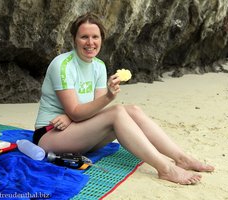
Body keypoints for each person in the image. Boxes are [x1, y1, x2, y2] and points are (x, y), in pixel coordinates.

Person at [33, 12, 214, 185]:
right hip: (50, 136)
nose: (90, 42)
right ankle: (165, 168)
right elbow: (77, 112)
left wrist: (71, 116)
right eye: (84, 37)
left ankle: (182, 158)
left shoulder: (98, 66)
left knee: (132, 110)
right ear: (74, 39)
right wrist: (104, 99)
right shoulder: (62, 65)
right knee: (117, 112)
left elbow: (95, 112)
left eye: (95, 37)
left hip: (78, 132)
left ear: (101, 39)